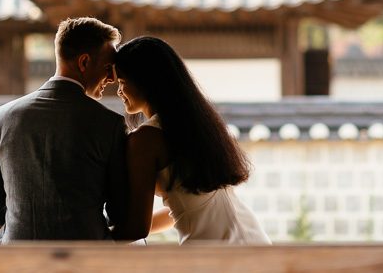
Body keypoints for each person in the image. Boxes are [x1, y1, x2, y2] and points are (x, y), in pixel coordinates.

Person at [0, 17, 128, 242]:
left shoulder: (4, 117)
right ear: (84, 62)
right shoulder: (109, 124)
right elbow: (120, 212)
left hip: (18, 259)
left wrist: (26, 228)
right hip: (85, 259)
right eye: (108, 68)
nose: (112, 78)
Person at [110, 36, 270, 244]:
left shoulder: (146, 139)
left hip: (214, 251)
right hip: (254, 239)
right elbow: (183, 208)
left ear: (145, 80)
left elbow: (136, 228)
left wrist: (87, 237)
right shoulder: (195, 125)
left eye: (122, 82)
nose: (119, 91)